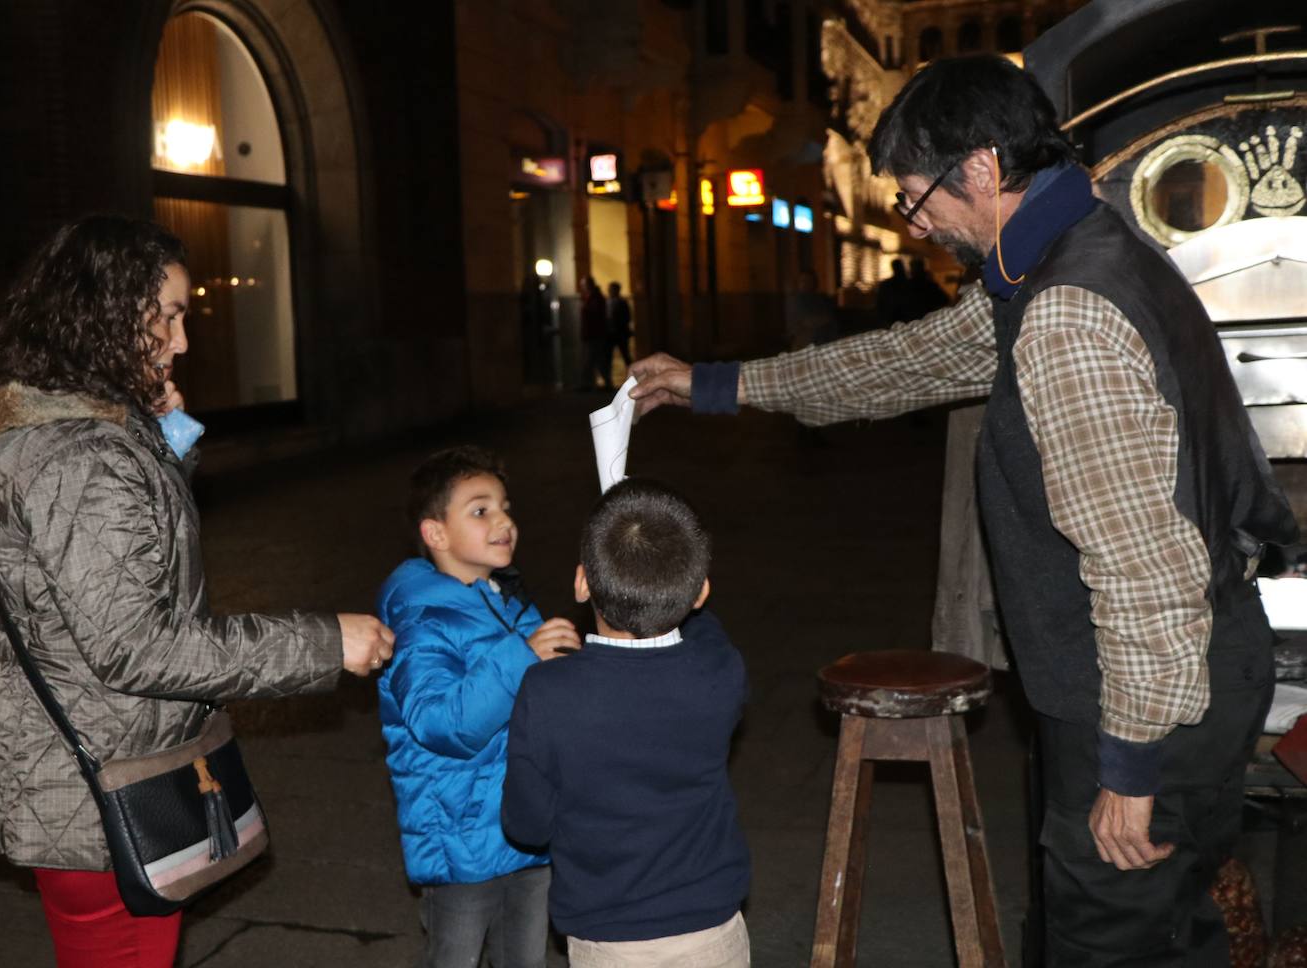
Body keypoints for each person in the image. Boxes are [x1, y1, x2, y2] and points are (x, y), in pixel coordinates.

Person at [628, 55, 1298, 966]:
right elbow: (906, 364)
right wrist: (714, 383)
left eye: (917, 197)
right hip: (1177, 683)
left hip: (1153, 703)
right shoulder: (1065, 259)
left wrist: (1130, 771)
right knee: (1171, 937)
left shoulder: (1064, 310)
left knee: (1117, 943)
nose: (916, 223)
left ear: (979, 168)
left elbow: (1146, 569)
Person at [0, 214, 395, 968]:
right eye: (170, 316)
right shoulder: (80, 458)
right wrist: (324, 642)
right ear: (106, 314)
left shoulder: (51, 430)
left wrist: (165, 441)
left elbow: (111, 562)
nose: (182, 342)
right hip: (93, 775)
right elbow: (137, 644)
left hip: (67, 756)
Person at [502, 478, 750, 968]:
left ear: (581, 582)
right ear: (700, 592)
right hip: (712, 931)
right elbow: (705, 631)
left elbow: (526, 825)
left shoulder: (549, 692)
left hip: (607, 939)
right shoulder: (720, 671)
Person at [375, 445, 580, 968]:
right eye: (480, 509)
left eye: (505, 506)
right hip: (462, 842)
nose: (503, 520)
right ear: (435, 534)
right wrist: (522, 658)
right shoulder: (422, 622)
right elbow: (441, 724)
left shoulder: (510, 602)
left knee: (526, 958)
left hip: (527, 828)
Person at [578, 275, 610, 390]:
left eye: (583, 285)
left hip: (595, 334)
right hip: (592, 334)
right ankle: (594, 383)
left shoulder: (595, 298)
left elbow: (595, 317)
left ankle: (589, 384)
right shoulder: (590, 297)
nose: (581, 287)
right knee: (594, 359)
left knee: (592, 359)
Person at [605, 280, 633, 374]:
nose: (610, 291)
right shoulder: (607, 302)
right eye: (610, 289)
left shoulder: (622, 302)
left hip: (621, 333)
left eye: (612, 289)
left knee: (626, 355)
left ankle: (632, 375)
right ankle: (608, 379)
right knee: (608, 356)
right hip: (610, 333)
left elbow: (627, 317)